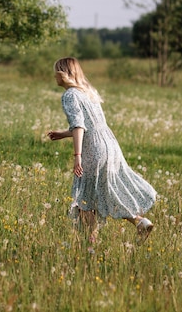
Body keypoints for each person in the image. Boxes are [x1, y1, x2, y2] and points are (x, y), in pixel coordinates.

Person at [47, 57, 156, 244]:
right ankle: (139, 222)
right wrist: (65, 134)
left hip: (93, 149)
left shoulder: (70, 95)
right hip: (109, 146)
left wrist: (77, 156)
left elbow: (80, 126)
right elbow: (89, 125)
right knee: (102, 194)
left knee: (85, 199)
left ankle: (90, 242)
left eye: (56, 70)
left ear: (63, 73)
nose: (54, 75)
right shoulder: (88, 92)